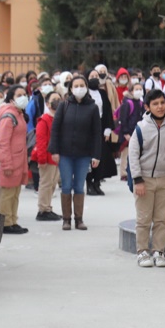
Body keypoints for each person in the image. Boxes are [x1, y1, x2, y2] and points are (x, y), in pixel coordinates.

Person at [128, 90, 165, 268]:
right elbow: (133, 155)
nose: (160, 107)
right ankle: (142, 251)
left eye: (162, 102)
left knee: (162, 219)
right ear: (147, 107)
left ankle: (159, 251)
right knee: (144, 218)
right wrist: (137, 180)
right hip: (144, 180)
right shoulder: (140, 128)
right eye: (155, 104)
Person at [48, 76, 102, 231]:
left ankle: (79, 219)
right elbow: (55, 129)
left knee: (79, 186)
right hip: (65, 154)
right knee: (66, 186)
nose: (79, 88)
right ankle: (66, 219)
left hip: (83, 155)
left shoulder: (92, 107)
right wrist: (54, 150)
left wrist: (96, 155)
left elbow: (96, 133)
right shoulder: (64, 105)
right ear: (70, 88)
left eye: (82, 85)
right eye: (76, 85)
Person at [0, 85, 31, 234]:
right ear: (11, 99)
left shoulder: (19, 114)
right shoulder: (8, 116)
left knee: (15, 192)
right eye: (19, 95)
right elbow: (2, 142)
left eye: (24, 94)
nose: (23, 97)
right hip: (10, 160)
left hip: (19, 159)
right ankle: (5, 223)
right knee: (8, 193)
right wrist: (6, 163)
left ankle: (13, 219)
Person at [32, 92, 63, 222]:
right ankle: (43, 209)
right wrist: (42, 159)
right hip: (47, 158)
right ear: (47, 104)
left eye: (58, 99)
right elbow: (41, 141)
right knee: (45, 184)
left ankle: (48, 207)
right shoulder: (44, 120)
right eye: (54, 99)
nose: (57, 101)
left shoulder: (59, 119)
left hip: (56, 158)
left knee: (52, 184)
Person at [115, 82, 146, 177]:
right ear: (131, 91)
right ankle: (124, 173)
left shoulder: (141, 103)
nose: (139, 91)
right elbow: (123, 119)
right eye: (136, 89)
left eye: (140, 89)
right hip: (128, 133)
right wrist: (125, 133)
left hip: (137, 131)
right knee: (126, 153)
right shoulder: (127, 103)